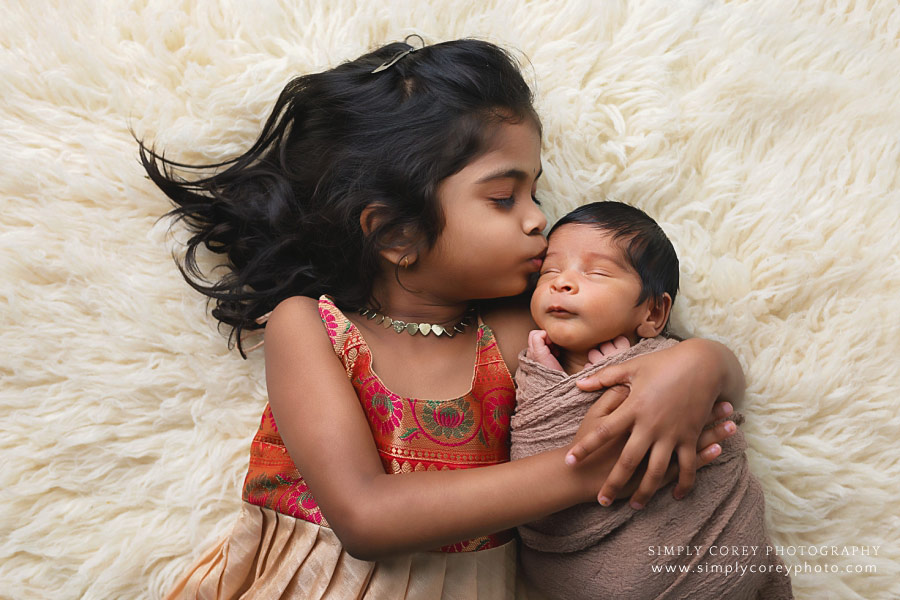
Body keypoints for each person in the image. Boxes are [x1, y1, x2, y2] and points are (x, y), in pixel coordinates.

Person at [138, 37, 743, 599]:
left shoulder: (517, 330)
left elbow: (650, 353)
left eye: (535, 192)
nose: (539, 219)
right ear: (396, 233)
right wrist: (594, 472)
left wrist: (701, 364)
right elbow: (367, 517)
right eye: (505, 198)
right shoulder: (310, 328)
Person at [511, 201, 793, 599]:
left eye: (596, 272)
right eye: (550, 271)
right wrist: (549, 381)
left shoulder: (667, 362)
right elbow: (530, 451)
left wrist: (684, 365)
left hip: (698, 555)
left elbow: (727, 384)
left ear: (653, 313)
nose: (562, 282)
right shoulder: (529, 367)